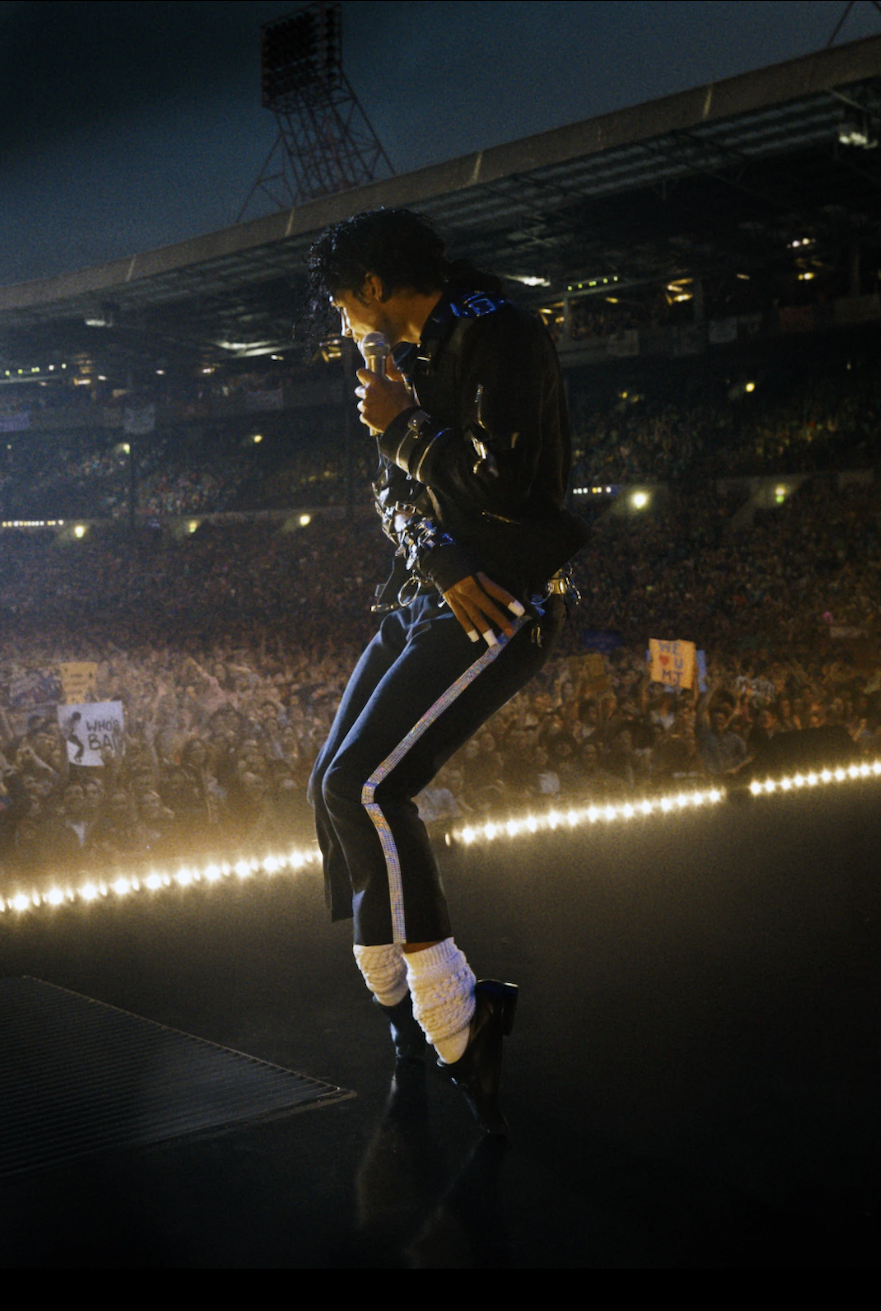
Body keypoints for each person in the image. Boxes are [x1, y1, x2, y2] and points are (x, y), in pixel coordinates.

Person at [304, 207, 587, 1134]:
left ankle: (460, 1022)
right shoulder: (396, 355)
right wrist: (436, 555)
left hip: (507, 598)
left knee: (372, 787)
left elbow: (504, 487)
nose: (343, 321)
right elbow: (391, 490)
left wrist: (407, 429)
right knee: (330, 786)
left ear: (377, 288)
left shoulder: (497, 331)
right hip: (437, 588)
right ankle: (401, 1009)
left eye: (346, 301)